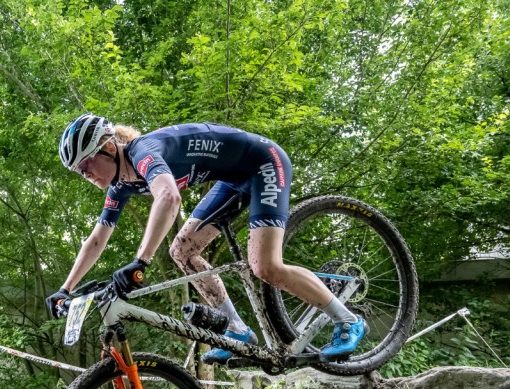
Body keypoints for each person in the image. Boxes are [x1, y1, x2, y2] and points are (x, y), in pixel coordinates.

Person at [45, 114, 367, 362]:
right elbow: (98, 238)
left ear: (110, 148)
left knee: (265, 267)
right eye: (78, 170)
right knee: (182, 251)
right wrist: (65, 288)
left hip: (264, 163)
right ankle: (237, 330)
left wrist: (140, 263)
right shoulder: (121, 184)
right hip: (233, 178)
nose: (84, 173)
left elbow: (169, 197)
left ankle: (348, 320)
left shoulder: (142, 152)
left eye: (86, 163)